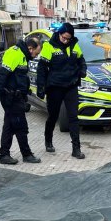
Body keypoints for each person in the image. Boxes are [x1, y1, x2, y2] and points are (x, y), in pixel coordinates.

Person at [36, 22, 87, 159]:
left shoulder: (74, 45)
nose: (65, 40)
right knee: (53, 116)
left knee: (73, 118)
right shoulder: (49, 46)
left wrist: (83, 70)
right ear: (59, 34)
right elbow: (41, 69)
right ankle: (48, 141)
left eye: (67, 38)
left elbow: (81, 60)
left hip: (71, 86)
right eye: (63, 37)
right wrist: (41, 87)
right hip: (55, 87)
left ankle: (76, 148)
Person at [0, 37, 42, 165]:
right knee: (21, 127)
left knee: (9, 126)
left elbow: (20, 78)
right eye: (36, 53)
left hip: (16, 97)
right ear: (30, 48)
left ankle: (4, 155)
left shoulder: (23, 55)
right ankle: (26, 154)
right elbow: (2, 74)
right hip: (10, 97)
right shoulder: (15, 53)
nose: (35, 56)